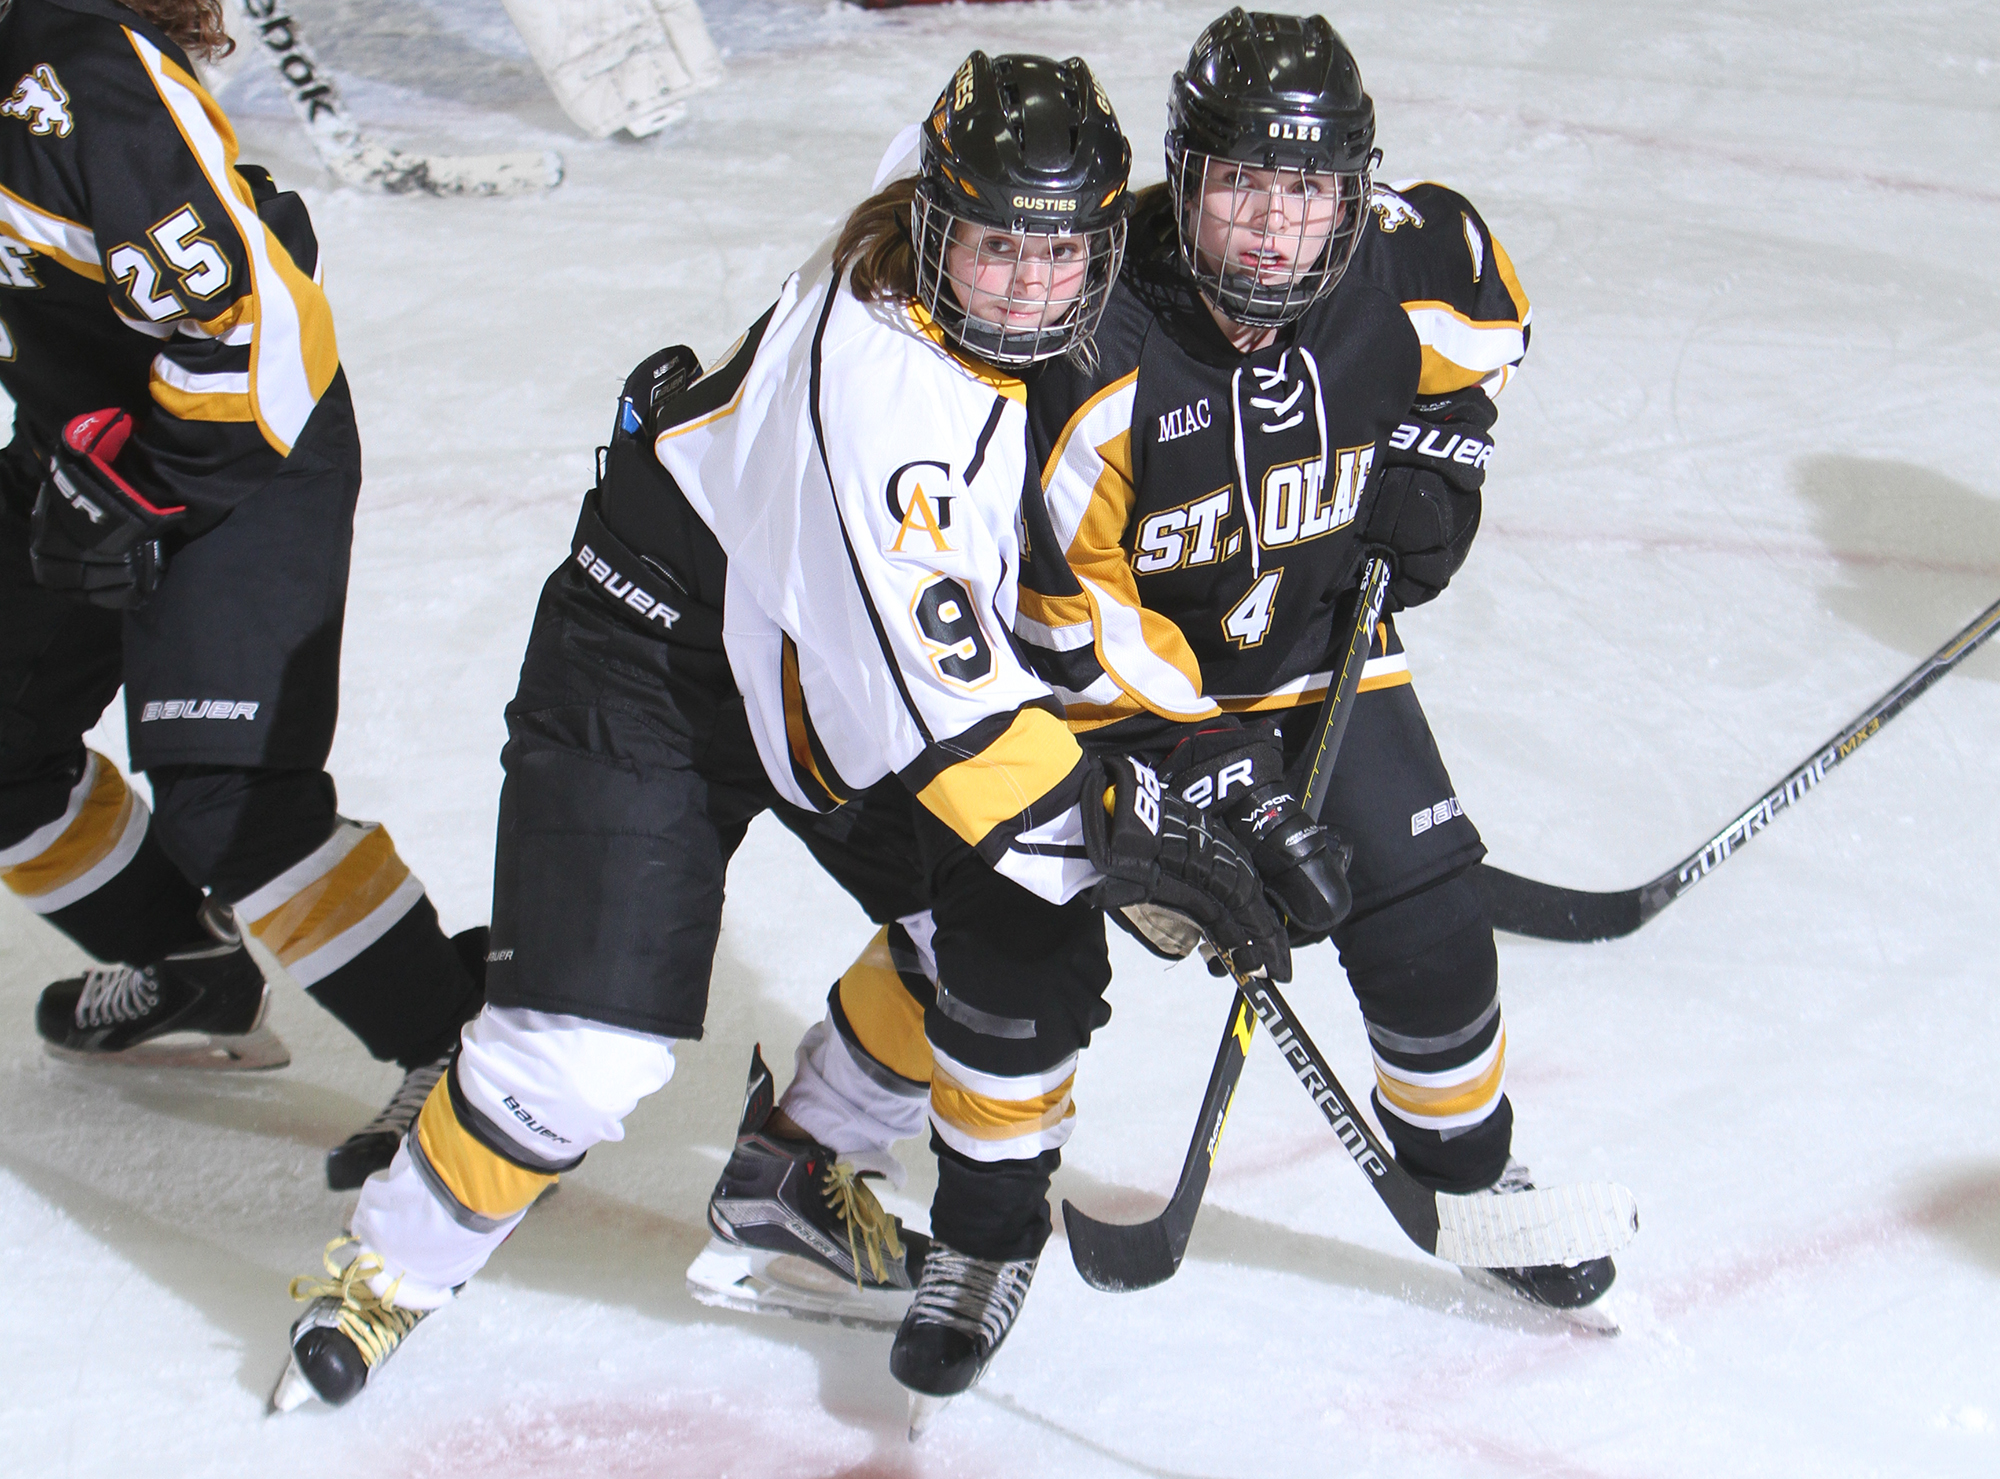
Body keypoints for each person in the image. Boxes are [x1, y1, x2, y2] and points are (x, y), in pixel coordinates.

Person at [273, 51, 1286, 1418]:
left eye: (1065, 249)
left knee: (985, 947)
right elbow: (972, 737)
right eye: (999, 249)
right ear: (937, 225)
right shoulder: (891, 409)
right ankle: (386, 1270)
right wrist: (1160, 846)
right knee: (581, 1060)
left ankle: (795, 1173)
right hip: (654, 661)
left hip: (816, 651)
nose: (1034, 286)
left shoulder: (925, 215)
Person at [1016, 7, 1615, 1317]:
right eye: (1241, 183)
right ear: (1185, 176)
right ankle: (836, 1132)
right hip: (1118, 703)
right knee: (1003, 943)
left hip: (1310, 645)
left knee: (1433, 922)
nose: (1276, 225)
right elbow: (1069, 610)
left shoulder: (1397, 268)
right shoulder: (1095, 331)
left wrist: (1442, 453)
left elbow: (1491, 299)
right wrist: (1212, 769)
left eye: (1307, 187)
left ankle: (1473, 1174)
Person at [0, 0, 481, 1184]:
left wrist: (147, 491)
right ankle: (185, 965)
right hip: (84, 445)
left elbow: (255, 333)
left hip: (239, 447)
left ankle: (458, 1049)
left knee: (230, 800)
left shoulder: (83, 82)